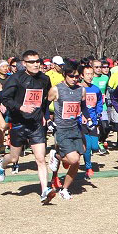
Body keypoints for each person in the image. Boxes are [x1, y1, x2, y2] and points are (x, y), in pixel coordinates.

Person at [0, 50, 56, 203]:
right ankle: (2, 165)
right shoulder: (16, 78)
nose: (36, 64)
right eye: (32, 62)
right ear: (24, 64)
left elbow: (45, 99)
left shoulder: (44, 78)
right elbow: (4, 97)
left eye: (38, 61)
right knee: (14, 157)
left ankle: (44, 190)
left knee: (40, 159)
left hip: (35, 123)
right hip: (19, 123)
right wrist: (20, 107)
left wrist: (44, 115)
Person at [46, 61, 86, 200]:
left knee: (78, 159)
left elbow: (83, 106)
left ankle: (65, 189)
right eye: (71, 76)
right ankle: (56, 155)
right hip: (62, 129)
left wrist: (86, 116)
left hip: (76, 127)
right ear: (65, 75)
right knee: (73, 159)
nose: (74, 79)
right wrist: (48, 120)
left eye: (77, 77)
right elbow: (45, 104)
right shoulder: (56, 89)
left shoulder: (81, 90)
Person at [80, 63, 103, 179]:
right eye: (87, 74)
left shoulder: (96, 89)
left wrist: (99, 114)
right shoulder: (78, 88)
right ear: (82, 75)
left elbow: (99, 102)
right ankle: (88, 168)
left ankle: (86, 155)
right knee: (88, 146)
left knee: (95, 146)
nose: (90, 76)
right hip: (82, 121)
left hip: (93, 121)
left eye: (91, 74)